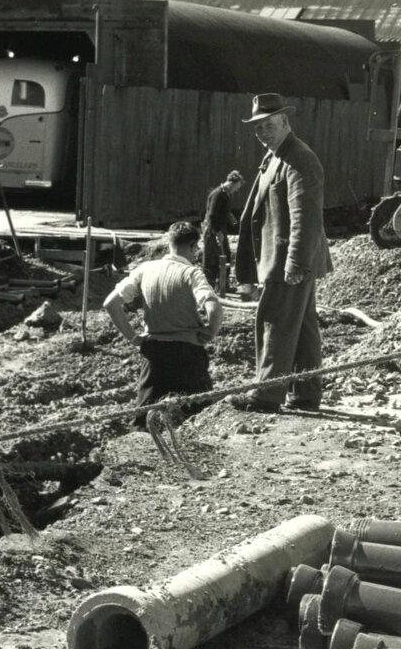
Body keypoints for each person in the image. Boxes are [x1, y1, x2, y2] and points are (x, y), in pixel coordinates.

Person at [231, 93, 332, 413]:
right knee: (301, 328)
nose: (262, 132)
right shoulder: (276, 156)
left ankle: (266, 395)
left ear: (286, 122)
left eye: (268, 125)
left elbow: (306, 215)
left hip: (288, 260)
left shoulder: (299, 158)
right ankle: (305, 395)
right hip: (281, 258)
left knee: (273, 320)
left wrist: (296, 262)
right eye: (257, 127)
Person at [102, 221, 224, 430]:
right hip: (188, 356)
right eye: (197, 249)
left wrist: (133, 337)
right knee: (198, 421)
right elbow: (214, 307)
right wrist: (210, 332)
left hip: (154, 355)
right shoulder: (191, 273)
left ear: (170, 243)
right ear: (193, 246)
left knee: (142, 424)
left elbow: (110, 304)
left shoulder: (146, 269)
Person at [200, 170, 245, 294]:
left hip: (220, 229)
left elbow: (224, 211)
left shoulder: (225, 194)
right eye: (237, 187)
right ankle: (208, 288)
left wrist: (233, 221)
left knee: (226, 256)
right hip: (213, 231)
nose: (237, 190)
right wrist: (217, 231)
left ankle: (223, 285)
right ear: (232, 183)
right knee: (212, 259)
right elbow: (212, 215)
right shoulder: (218, 194)